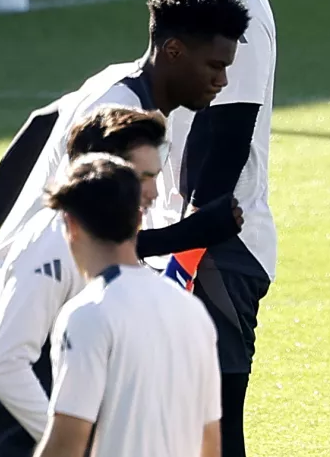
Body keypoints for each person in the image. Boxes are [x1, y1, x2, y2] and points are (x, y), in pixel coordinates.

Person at [0, 0, 250, 440]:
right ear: (173, 51)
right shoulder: (116, 114)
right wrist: (194, 232)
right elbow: (94, 229)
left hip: (28, 303)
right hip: (7, 306)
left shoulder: (121, 87)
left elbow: (36, 126)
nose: (222, 80)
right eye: (214, 65)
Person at [124, 0, 278, 454]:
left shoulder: (233, 2)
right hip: (183, 237)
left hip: (218, 245)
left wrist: (184, 252)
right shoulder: (184, 3)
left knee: (210, 426)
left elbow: (229, 135)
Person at [0, 105, 166, 457]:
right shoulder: (55, 241)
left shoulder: (106, 241)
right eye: (142, 177)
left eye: (156, 175)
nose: (154, 192)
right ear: (101, 171)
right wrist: (73, 443)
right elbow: (4, 363)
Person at [32, 154, 221, 457]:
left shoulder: (88, 314)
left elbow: (66, 442)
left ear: (71, 225)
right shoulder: (193, 312)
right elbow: (209, 441)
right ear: (139, 218)